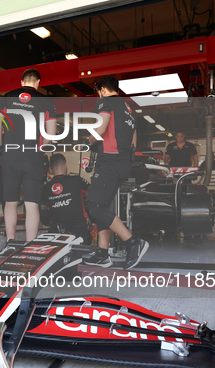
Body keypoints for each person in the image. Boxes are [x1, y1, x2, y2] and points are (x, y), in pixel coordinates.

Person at [84, 75, 148, 270]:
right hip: (121, 163)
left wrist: (87, 141)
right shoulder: (129, 109)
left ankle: (132, 242)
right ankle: (103, 254)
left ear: (103, 89)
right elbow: (133, 141)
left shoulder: (106, 102)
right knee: (101, 206)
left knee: (94, 206)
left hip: (109, 162)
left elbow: (101, 127)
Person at [0, 68, 57, 256]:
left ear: (22, 82)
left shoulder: (7, 97)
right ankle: (30, 246)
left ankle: (10, 243)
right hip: (33, 158)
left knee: (10, 202)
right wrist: (42, 150)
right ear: (38, 82)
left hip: (10, 157)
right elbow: (51, 132)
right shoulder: (45, 101)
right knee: (32, 204)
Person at [41, 154, 91, 244]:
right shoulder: (77, 181)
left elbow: (44, 213)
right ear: (65, 165)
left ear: (50, 170)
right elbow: (93, 194)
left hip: (56, 234)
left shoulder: (45, 189)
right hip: (79, 234)